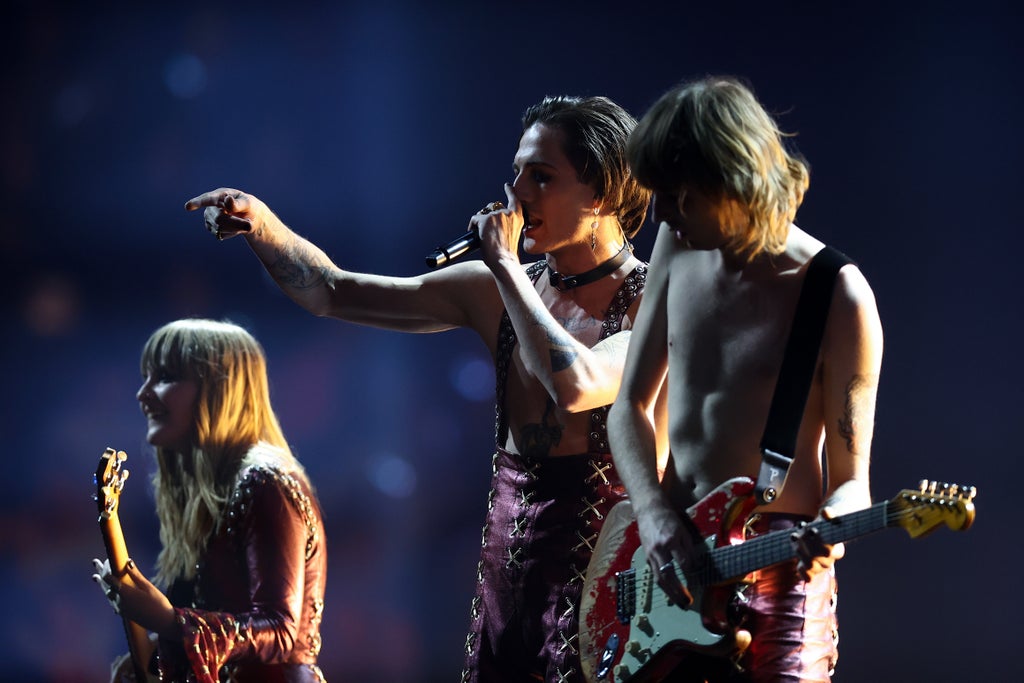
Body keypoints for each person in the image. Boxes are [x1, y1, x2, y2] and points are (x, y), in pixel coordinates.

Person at [185, 95, 662, 682]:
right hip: (508, 582)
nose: (516, 194)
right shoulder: (496, 288)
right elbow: (332, 291)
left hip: (615, 588)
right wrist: (263, 225)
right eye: (516, 173)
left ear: (603, 194)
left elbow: (577, 384)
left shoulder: (652, 302)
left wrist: (505, 266)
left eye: (541, 176)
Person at [606, 76, 884, 682]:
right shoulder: (677, 242)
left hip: (781, 571)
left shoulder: (838, 294)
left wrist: (834, 527)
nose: (661, 213)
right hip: (673, 557)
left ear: (731, 181)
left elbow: (851, 484)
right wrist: (651, 513)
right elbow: (628, 406)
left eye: (677, 196)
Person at [91, 318, 328, 683]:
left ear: (218, 389)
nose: (143, 394)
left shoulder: (266, 485)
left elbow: (280, 633)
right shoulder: (212, 488)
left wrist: (168, 620)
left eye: (165, 377)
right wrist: (156, 651)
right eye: (145, 377)